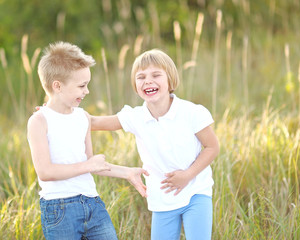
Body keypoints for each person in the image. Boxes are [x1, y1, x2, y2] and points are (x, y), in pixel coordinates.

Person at [91, 49, 220, 240]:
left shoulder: (191, 113)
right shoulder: (135, 117)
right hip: (161, 199)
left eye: (156, 75)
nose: (148, 81)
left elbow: (212, 147)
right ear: (135, 85)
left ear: (170, 80)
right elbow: (94, 122)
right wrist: (54, 113)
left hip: (195, 192)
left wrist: (187, 175)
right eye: (141, 77)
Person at [27, 41, 148, 240]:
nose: (87, 91)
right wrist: (87, 165)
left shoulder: (82, 117)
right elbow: (45, 172)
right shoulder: (39, 121)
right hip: (59, 208)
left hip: (92, 203)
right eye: (82, 86)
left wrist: (127, 172)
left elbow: (93, 164)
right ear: (57, 86)